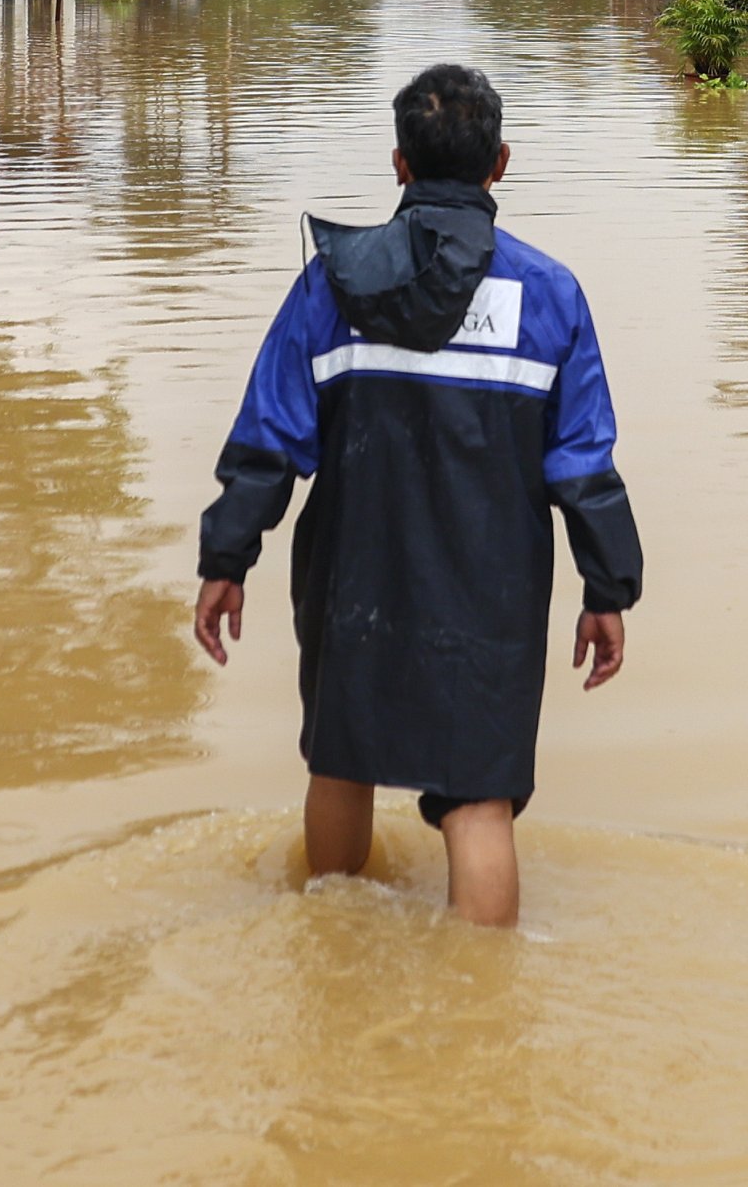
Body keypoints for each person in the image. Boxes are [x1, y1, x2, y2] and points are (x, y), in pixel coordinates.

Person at [190, 62, 642, 926]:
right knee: (478, 798)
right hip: (493, 587)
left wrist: (226, 558)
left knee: (341, 761)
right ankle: (478, 1012)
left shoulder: (330, 285)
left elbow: (270, 436)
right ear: (499, 164)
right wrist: (606, 588)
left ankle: (329, 955)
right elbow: (582, 462)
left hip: (355, 574)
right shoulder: (548, 295)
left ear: (398, 165)